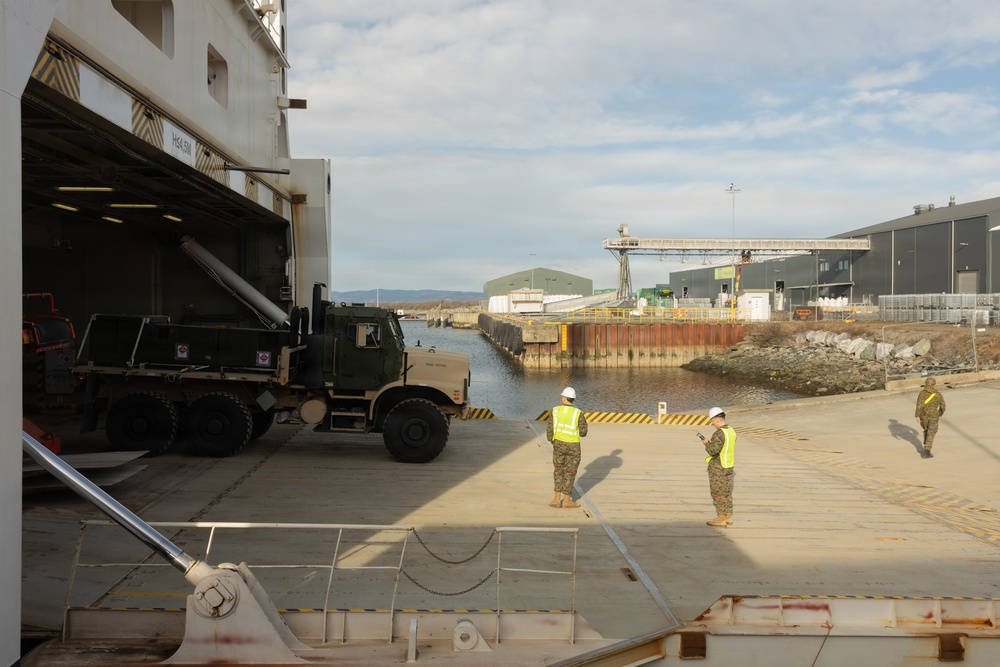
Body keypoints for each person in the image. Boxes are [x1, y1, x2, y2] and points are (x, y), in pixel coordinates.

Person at [546, 387, 588, 508]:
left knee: (558, 470)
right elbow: (583, 432)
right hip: (573, 447)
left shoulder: (555, 411)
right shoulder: (578, 413)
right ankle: (567, 501)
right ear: (573, 399)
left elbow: (549, 429)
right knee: (570, 472)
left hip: (558, 444)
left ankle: (556, 500)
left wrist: (552, 440)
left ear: (564, 398)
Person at [698, 407, 737, 527]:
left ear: (716, 420)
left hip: (718, 467)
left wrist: (706, 444)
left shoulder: (719, 433)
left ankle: (720, 518)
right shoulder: (731, 431)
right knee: (726, 491)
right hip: (728, 465)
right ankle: (728, 516)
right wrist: (713, 442)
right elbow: (725, 446)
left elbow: (713, 451)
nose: (713, 424)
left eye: (712, 422)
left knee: (718, 492)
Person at [915, 377, 946, 459]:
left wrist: (917, 415)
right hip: (934, 416)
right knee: (931, 433)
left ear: (925, 383)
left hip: (923, 416)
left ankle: (926, 447)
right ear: (934, 384)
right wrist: (939, 414)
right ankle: (927, 451)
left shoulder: (922, 393)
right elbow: (943, 406)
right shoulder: (938, 394)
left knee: (926, 431)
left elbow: (919, 405)